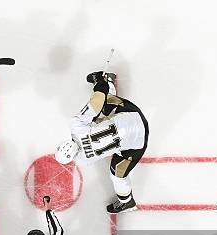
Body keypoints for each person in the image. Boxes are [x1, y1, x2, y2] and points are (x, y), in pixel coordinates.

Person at [55, 71, 150, 214]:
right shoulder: (75, 126)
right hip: (134, 116)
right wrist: (101, 86)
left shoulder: (82, 161)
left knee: (117, 175)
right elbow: (95, 104)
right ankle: (106, 80)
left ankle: (127, 202)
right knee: (104, 104)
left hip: (137, 144)